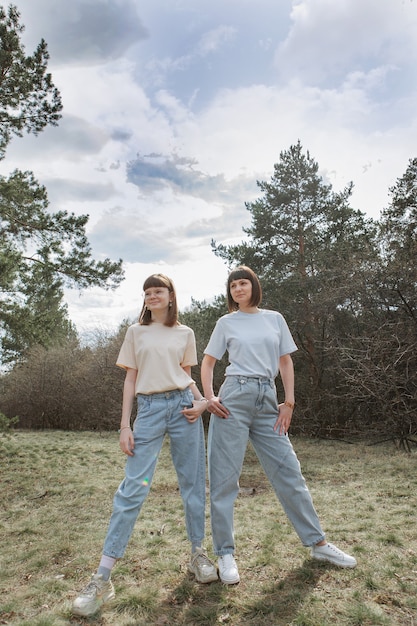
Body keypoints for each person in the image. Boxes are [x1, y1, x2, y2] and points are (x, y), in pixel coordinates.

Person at [200, 265, 357, 585]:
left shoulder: (274, 319)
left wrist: (289, 402)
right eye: (232, 286)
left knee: (289, 471)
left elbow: (285, 361)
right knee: (224, 479)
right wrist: (209, 396)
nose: (238, 289)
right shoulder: (225, 322)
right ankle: (225, 552)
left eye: (243, 283)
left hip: (268, 400)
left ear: (254, 286)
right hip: (234, 397)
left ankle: (319, 545)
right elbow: (208, 362)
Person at [72, 273, 217, 617]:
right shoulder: (135, 332)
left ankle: (197, 554)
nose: (152, 296)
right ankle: (102, 578)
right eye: (147, 292)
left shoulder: (185, 333)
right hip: (149, 412)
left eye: (158, 291)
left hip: (185, 409)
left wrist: (203, 402)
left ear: (170, 296)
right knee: (132, 489)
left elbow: (186, 375)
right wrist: (125, 424)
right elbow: (130, 379)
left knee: (193, 483)